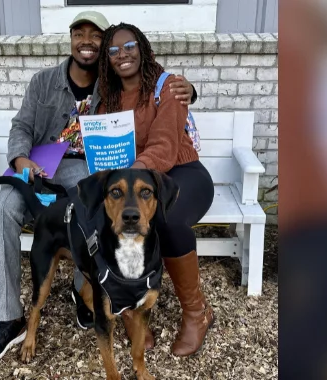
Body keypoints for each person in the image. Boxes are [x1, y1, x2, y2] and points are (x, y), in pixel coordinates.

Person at [0, 12, 198, 364]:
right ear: (71, 38)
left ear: (103, 46)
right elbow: (21, 126)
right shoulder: (43, 82)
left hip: (84, 168)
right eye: (80, 33)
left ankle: (89, 291)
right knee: (1, 207)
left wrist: (189, 90)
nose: (88, 41)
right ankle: (8, 318)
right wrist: (19, 160)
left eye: (96, 35)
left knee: (92, 202)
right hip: (38, 165)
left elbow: (149, 82)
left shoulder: (110, 85)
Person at [92, 22, 215, 357]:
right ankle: (132, 311)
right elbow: (105, 152)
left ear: (142, 48)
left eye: (129, 46)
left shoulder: (170, 86)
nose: (122, 55)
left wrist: (131, 175)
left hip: (183, 175)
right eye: (113, 51)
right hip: (137, 182)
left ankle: (197, 313)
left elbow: (164, 145)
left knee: (166, 219)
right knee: (112, 221)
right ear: (108, 59)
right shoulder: (107, 102)